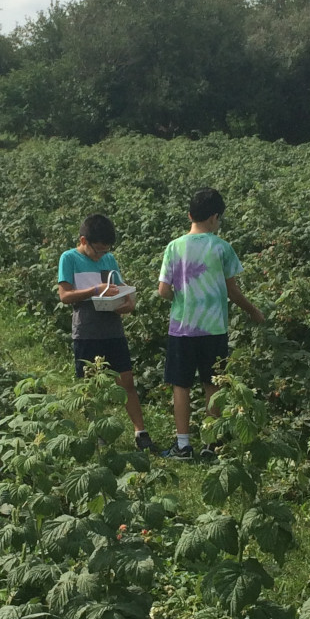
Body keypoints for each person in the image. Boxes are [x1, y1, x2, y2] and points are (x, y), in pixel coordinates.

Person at [158, 188, 265, 459]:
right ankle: (211, 444)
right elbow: (232, 290)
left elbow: (163, 290)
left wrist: (179, 297)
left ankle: (183, 445)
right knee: (213, 384)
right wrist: (253, 311)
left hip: (182, 328)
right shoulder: (222, 247)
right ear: (215, 217)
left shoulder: (175, 246)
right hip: (214, 328)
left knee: (180, 386)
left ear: (190, 215)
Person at [58, 213, 159, 453]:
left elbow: (122, 289)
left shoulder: (109, 259)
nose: (102, 255)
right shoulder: (69, 258)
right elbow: (64, 296)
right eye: (98, 251)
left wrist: (129, 302)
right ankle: (98, 433)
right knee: (91, 387)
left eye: (106, 251)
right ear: (84, 240)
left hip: (113, 330)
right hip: (86, 332)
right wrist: (95, 289)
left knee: (126, 382)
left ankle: (140, 433)